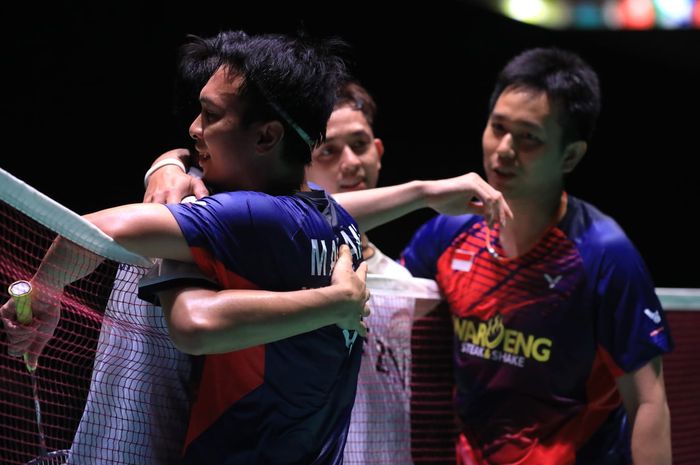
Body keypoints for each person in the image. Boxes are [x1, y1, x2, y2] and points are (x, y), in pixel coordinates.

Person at [2, 31, 513, 464]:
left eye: (209, 115)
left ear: (266, 136)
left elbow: (94, 230)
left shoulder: (249, 217)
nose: (193, 129)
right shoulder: (332, 223)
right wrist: (170, 160)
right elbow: (343, 206)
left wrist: (46, 288)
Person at [400, 47, 673, 465]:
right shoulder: (448, 232)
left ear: (570, 155)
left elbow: (649, 403)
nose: (504, 149)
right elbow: (384, 307)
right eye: (498, 127)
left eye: (529, 137)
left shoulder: (604, 253)